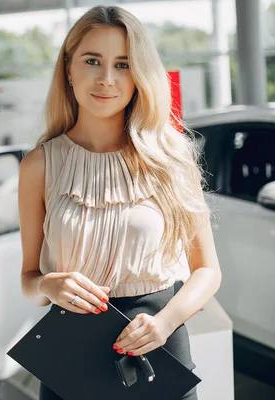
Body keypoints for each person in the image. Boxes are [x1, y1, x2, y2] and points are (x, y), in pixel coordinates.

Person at [17, 6, 221, 400]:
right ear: (69, 69)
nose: (106, 79)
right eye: (92, 60)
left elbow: (208, 271)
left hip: (157, 351)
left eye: (123, 64)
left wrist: (164, 323)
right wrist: (47, 284)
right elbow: (29, 282)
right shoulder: (39, 165)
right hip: (71, 357)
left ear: (139, 75)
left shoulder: (169, 157)